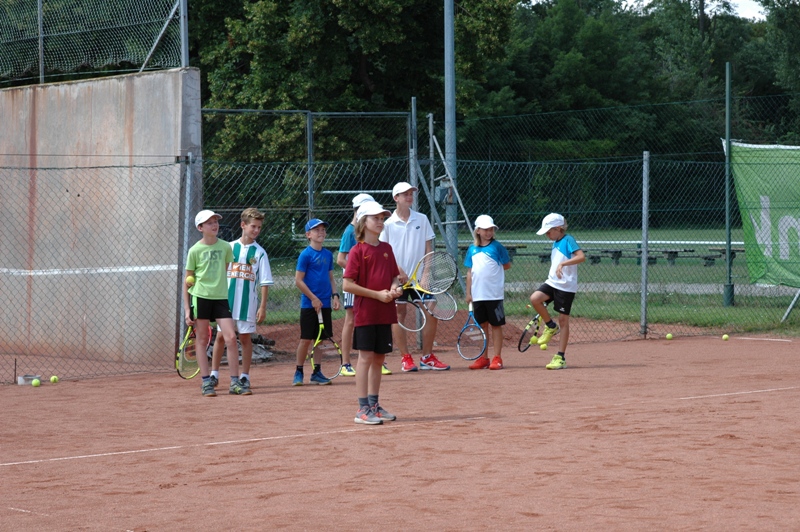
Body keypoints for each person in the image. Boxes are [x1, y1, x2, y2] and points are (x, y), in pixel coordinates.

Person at [343, 201, 403, 424]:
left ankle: (374, 405)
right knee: (366, 358)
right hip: (366, 312)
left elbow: (394, 277)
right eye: (375, 218)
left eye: (382, 218)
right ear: (363, 222)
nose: (380, 221)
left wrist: (395, 288)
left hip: (384, 312)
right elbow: (347, 284)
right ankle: (362, 409)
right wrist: (376, 295)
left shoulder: (386, 249)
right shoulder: (357, 251)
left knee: (379, 358)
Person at [380, 181, 449, 372]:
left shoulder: (422, 219)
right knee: (399, 313)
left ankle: (427, 357)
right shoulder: (387, 225)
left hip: (420, 279)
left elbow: (428, 249)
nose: (409, 197)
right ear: (396, 198)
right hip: (396, 279)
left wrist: (425, 275)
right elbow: (385, 253)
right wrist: (398, 272)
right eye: (405, 194)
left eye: (411, 193)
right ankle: (405, 358)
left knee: (431, 311)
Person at [209, 208, 273, 394]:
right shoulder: (228, 247)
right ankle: (214, 374)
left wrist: (262, 306)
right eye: (253, 226)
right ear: (243, 225)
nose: (256, 230)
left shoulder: (260, 253)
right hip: (226, 302)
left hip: (247, 304)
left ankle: (244, 376)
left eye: (259, 227)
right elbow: (219, 274)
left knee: (245, 338)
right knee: (221, 336)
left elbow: (265, 282)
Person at [183, 210, 247, 397]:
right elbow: (187, 281)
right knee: (202, 340)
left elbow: (226, 272)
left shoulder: (225, 247)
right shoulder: (194, 250)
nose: (214, 225)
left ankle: (234, 382)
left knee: (231, 338)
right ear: (200, 228)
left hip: (220, 298)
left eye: (215, 222)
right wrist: (187, 310)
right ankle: (206, 382)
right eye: (209, 222)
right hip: (201, 297)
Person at [337, 193, 392, 377]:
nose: (379, 219)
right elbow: (341, 259)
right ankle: (345, 362)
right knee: (351, 319)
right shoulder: (349, 231)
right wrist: (361, 274)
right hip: (356, 283)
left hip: (370, 287)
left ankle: (378, 360)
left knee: (376, 321)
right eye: (374, 215)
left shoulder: (380, 243)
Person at [529, 213, 585, 370]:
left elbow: (581, 257)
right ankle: (550, 326)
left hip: (566, 287)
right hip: (552, 283)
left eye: (549, 232)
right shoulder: (555, 242)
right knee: (535, 299)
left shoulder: (568, 240)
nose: (547, 235)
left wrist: (563, 264)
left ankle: (560, 357)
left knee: (563, 320)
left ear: (558, 228)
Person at [294, 218, 341, 386]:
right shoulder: (305, 255)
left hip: (325, 304)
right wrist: (313, 298)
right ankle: (299, 371)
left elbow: (331, 278)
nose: (321, 232)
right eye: (316, 230)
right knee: (305, 339)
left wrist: (335, 295)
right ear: (308, 235)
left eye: (323, 229)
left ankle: (316, 372)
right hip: (309, 304)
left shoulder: (328, 254)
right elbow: (298, 280)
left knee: (319, 340)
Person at [464, 215, 511, 370]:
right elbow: (470, 272)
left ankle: (497, 357)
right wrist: (468, 293)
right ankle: (483, 358)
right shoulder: (472, 249)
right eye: (485, 229)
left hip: (494, 295)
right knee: (482, 326)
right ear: (478, 231)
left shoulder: (497, 247)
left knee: (496, 325)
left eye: (491, 229)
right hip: (478, 295)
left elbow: (506, 265)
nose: (489, 232)